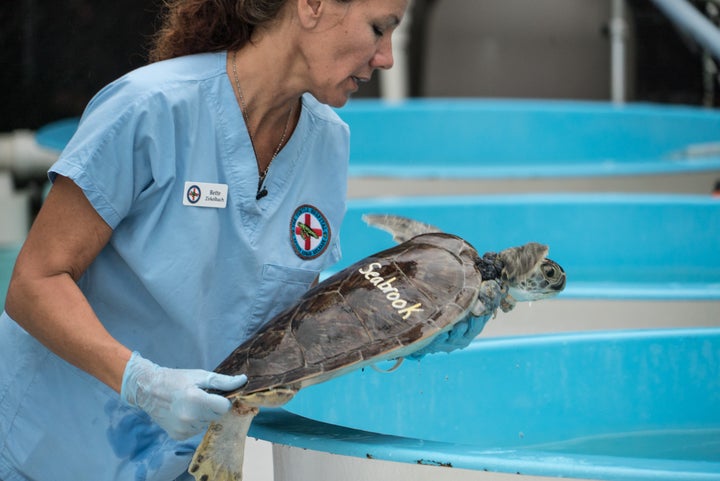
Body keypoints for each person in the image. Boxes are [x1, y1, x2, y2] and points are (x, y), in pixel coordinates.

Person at [0, 0, 409, 479]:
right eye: (379, 28)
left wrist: (410, 328)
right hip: (50, 452)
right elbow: (33, 282)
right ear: (312, 5)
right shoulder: (149, 107)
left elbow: (289, 327)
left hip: (181, 462)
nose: (386, 58)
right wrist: (142, 381)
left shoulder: (328, 142)